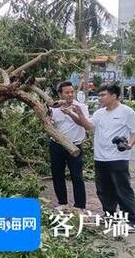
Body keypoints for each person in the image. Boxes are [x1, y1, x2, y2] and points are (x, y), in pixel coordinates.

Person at [65, 83, 135, 232]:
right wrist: (77, 113)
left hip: (118, 157)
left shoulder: (127, 112)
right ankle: (110, 215)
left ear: (114, 96)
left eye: (103, 95)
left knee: (122, 189)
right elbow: (88, 126)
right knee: (104, 189)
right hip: (100, 157)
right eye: (99, 95)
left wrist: (130, 144)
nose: (100, 97)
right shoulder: (100, 113)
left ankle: (132, 220)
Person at [49, 81, 88, 211]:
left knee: (77, 176)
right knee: (57, 175)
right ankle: (63, 202)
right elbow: (49, 126)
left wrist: (71, 113)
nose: (70, 94)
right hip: (57, 145)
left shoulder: (81, 107)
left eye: (72, 92)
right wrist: (49, 120)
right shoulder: (53, 108)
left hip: (75, 147)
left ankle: (79, 206)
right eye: (67, 92)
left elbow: (85, 124)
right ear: (60, 94)